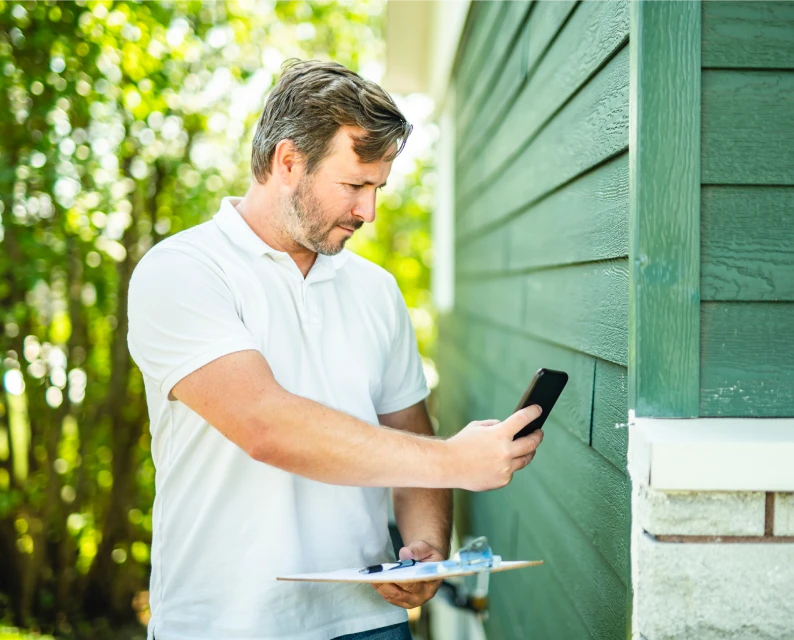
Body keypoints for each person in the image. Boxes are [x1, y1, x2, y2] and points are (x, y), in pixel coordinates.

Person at [126, 58, 544, 640]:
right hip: (226, 623)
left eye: (377, 188)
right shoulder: (181, 273)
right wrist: (457, 459)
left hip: (369, 621)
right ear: (288, 161)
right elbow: (264, 424)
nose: (368, 212)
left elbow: (410, 434)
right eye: (353, 185)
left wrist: (425, 547)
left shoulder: (376, 290)